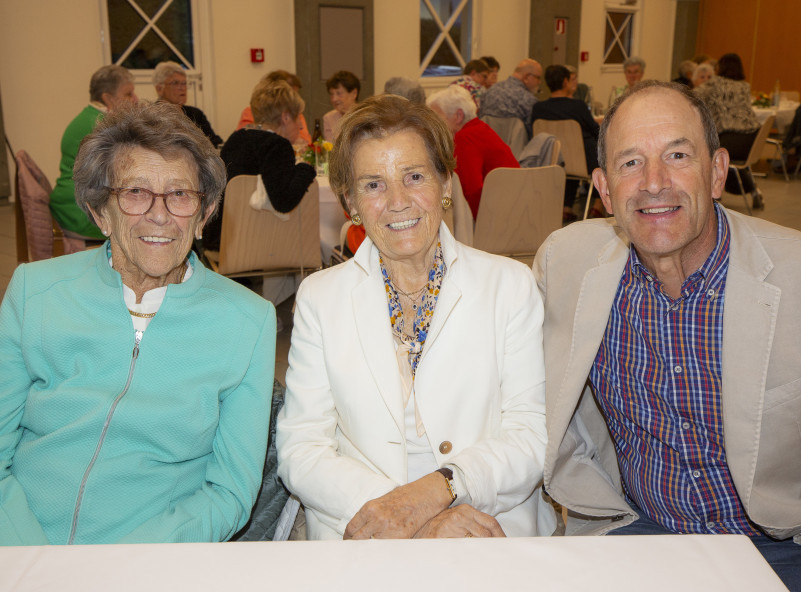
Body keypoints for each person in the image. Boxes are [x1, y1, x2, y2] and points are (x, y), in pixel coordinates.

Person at [534, 80, 801, 592]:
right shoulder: (565, 262)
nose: (653, 182)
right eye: (630, 163)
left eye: (678, 156)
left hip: (784, 549)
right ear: (603, 190)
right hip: (634, 535)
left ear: (718, 172)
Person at [0, 102, 276, 545]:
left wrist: (121, 567)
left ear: (205, 213)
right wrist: (26, 562)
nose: (159, 214)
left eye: (180, 194)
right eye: (136, 192)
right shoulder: (35, 291)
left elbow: (229, 491)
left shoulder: (247, 321)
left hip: (146, 561)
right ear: (101, 212)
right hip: (12, 549)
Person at [277, 95, 555, 541]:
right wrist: (399, 514)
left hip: (484, 525)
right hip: (364, 529)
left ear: (446, 184)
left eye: (414, 177)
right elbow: (301, 447)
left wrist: (437, 493)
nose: (397, 201)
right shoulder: (320, 298)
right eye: (373, 185)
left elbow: (531, 435)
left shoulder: (510, 286)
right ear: (350, 201)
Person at [202, 80, 316, 251]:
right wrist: (305, 168)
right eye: (298, 117)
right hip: (251, 246)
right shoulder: (277, 145)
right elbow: (283, 202)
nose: (300, 125)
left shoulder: (236, 138)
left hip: (218, 239)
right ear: (285, 117)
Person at [49, 65, 138, 241]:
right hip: (82, 212)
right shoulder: (101, 125)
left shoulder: (88, 117)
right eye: (128, 94)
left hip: (69, 205)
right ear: (108, 98)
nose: (135, 99)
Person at [428, 85, 519, 219]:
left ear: (458, 116)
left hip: (497, 218)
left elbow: (471, 192)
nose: (432, 125)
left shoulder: (465, 138)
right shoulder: (481, 129)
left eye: (436, 117)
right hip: (515, 210)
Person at [695, 53, 765, 209]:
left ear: (720, 67)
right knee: (729, 157)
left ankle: (713, 194)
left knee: (707, 151)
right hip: (751, 139)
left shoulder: (715, 83)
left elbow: (693, 96)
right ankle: (754, 190)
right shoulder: (745, 86)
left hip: (731, 139)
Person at [531, 64, 601, 215]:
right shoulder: (578, 106)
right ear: (565, 82)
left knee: (569, 152)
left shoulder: (538, 108)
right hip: (582, 162)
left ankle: (567, 207)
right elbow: (596, 131)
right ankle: (598, 204)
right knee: (596, 152)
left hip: (552, 160)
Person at [152, 61, 222, 148]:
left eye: (184, 83)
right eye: (175, 83)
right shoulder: (150, 115)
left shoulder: (196, 114)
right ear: (159, 89)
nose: (182, 88)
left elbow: (213, 143)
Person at [236, 70, 312, 144]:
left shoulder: (296, 113)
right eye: (290, 94)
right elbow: (247, 139)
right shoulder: (251, 113)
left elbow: (306, 140)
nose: (296, 99)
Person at [479, 58, 543, 135]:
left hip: (486, 140)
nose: (540, 82)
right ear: (526, 77)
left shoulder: (488, 92)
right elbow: (534, 134)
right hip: (515, 143)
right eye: (538, 78)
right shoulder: (530, 101)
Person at [323, 70, 360, 142]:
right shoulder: (328, 118)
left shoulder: (365, 115)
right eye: (331, 94)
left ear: (354, 93)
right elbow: (330, 146)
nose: (334, 99)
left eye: (339, 93)